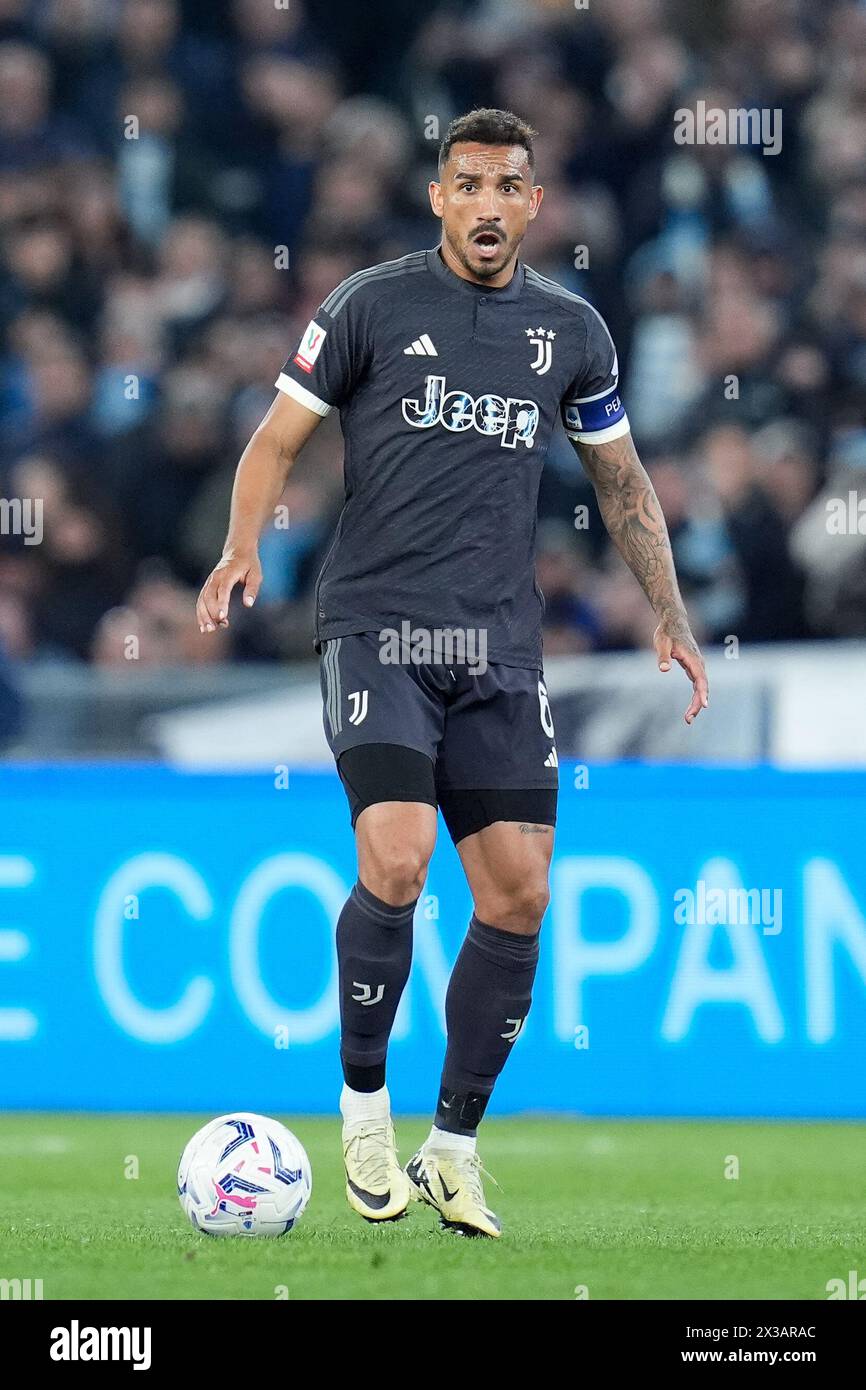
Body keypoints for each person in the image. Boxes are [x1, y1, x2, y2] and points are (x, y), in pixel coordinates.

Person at [197, 108, 708, 1238]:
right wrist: (241, 543)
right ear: (438, 196)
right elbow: (276, 438)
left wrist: (668, 613)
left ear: (534, 205)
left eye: (507, 185)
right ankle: (363, 1104)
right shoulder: (368, 304)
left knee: (520, 893)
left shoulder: (571, 333)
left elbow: (621, 483)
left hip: (497, 646)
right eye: (465, 182)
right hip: (377, 628)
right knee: (395, 853)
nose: (485, 203)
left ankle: (453, 1148)